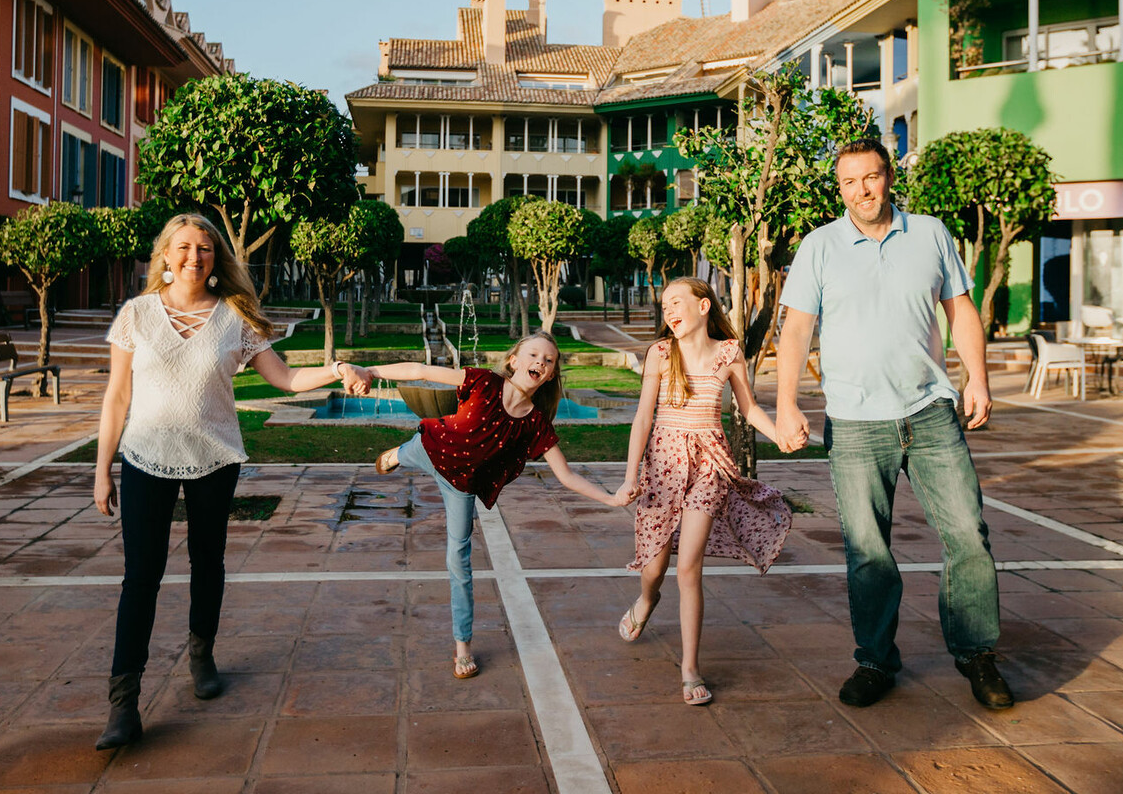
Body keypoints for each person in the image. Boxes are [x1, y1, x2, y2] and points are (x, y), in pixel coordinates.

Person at [91, 212, 372, 750]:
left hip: (214, 459)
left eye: (205, 249)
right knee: (140, 579)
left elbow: (286, 379)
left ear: (216, 260)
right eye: (184, 247)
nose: (194, 257)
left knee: (208, 563)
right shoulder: (137, 315)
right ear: (165, 256)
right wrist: (103, 469)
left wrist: (338, 370)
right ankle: (123, 705)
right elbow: (117, 397)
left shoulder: (233, 319)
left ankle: (201, 655)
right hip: (145, 457)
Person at [774, 138, 1012, 711]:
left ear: (888, 177)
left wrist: (976, 378)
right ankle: (876, 660)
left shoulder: (930, 234)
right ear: (840, 189)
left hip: (929, 409)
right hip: (855, 422)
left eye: (873, 177)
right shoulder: (820, 246)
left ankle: (977, 654)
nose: (864, 190)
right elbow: (797, 331)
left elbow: (960, 310)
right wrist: (786, 404)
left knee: (968, 535)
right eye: (851, 181)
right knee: (868, 550)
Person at [363, 331, 628, 679]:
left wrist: (611, 498)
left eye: (548, 361)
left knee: (459, 560)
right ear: (515, 361)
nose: (540, 363)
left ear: (550, 375)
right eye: (534, 355)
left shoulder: (535, 424)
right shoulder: (484, 382)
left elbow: (565, 476)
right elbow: (421, 370)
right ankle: (398, 454)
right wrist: (368, 371)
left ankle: (462, 646)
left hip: (461, 485)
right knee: (413, 449)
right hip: (432, 448)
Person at [617, 277, 791, 706]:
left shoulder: (730, 353)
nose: (669, 310)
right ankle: (646, 599)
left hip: (709, 464)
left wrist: (781, 434)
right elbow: (642, 419)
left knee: (688, 568)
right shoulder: (660, 354)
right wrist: (629, 475)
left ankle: (690, 667)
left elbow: (748, 409)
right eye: (664, 305)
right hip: (663, 465)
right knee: (655, 569)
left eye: (677, 301)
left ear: (703, 306)